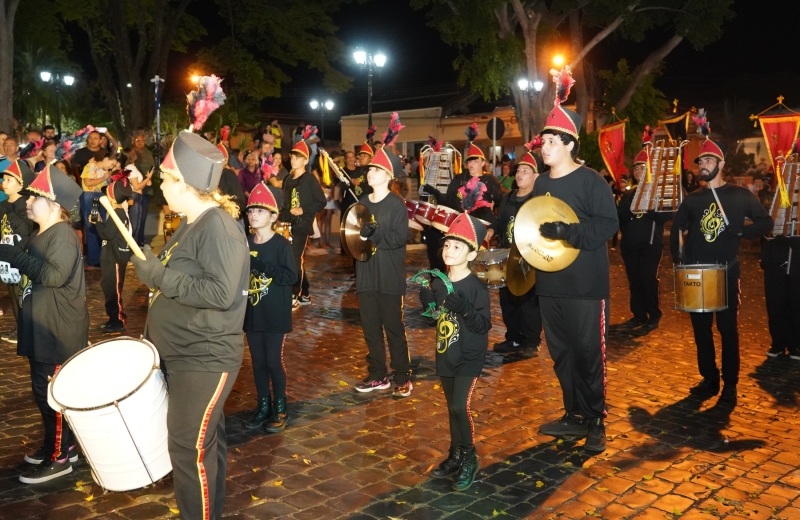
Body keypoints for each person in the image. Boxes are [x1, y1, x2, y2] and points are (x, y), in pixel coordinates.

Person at [130, 131, 249, 520]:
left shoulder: (219, 227)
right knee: (203, 445)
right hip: (182, 354)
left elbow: (220, 293)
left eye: (165, 179)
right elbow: (180, 275)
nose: (161, 186)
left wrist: (160, 277)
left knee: (186, 449)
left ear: (183, 184)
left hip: (205, 358)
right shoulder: (190, 224)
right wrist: (153, 264)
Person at [532, 69, 618, 453]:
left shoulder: (591, 181)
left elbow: (607, 226)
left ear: (568, 143)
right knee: (561, 353)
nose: (543, 146)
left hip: (585, 286)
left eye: (550, 141)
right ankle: (572, 414)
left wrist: (567, 232)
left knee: (588, 354)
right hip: (550, 285)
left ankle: (595, 418)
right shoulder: (541, 183)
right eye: (543, 141)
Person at [669, 118, 773, 401]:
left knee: (727, 329)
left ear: (722, 164)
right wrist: (679, 259)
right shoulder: (692, 199)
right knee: (701, 330)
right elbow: (678, 229)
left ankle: (730, 382)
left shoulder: (740, 196)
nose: (702, 165)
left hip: (727, 272)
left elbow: (765, 222)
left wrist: (742, 231)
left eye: (708, 160)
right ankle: (709, 378)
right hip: (697, 273)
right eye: (700, 160)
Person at [0, 166, 87, 483]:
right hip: (42, 326)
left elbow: (53, 276)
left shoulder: (62, 235)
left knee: (53, 395)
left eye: (34, 196)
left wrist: (16, 255)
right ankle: (60, 445)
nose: (27, 201)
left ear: (54, 204)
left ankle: (60, 457)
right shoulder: (43, 233)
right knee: (42, 391)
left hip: (57, 331)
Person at [420, 213, 491, 491]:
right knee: (451, 409)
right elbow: (433, 320)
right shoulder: (438, 282)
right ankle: (456, 454)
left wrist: (464, 308)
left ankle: (470, 457)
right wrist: (428, 305)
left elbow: (484, 325)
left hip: (469, 356)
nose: (449, 251)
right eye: (447, 245)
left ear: (471, 254)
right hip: (446, 353)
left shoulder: (476, 287)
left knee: (459, 407)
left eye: (457, 247)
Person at [353, 144, 414, 398]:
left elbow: (398, 239)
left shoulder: (397, 204)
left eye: (376, 170)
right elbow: (354, 240)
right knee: (370, 329)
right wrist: (358, 236)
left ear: (389, 176)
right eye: (370, 170)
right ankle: (378, 375)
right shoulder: (363, 202)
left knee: (393, 328)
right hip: (366, 275)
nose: (370, 173)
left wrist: (373, 232)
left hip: (389, 277)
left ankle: (402, 376)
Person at [242, 183, 297, 431]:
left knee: (273, 360)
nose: (253, 215)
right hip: (253, 313)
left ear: (274, 216)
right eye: (251, 210)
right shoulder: (245, 244)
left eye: (260, 211)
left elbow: (290, 277)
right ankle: (263, 406)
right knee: (258, 362)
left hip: (275, 314)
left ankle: (281, 407)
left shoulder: (281, 245)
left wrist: (262, 265)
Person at [491, 146, 544, 357]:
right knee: (507, 301)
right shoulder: (508, 198)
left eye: (526, 171)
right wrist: (490, 230)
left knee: (528, 302)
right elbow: (501, 222)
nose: (520, 174)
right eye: (519, 170)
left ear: (536, 176)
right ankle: (512, 339)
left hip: (530, 259)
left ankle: (532, 341)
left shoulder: (540, 200)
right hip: (508, 257)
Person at [617, 143, 672, 329]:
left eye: (643, 168)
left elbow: (665, 216)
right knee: (635, 281)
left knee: (649, 279)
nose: (639, 171)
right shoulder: (628, 194)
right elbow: (621, 215)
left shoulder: (657, 192)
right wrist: (633, 210)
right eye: (636, 168)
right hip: (630, 244)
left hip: (650, 244)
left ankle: (654, 314)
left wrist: (646, 208)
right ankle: (638, 314)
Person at [279, 132, 326, 308]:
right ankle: (305, 292)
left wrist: (303, 210)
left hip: (302, 224)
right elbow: (286, 203)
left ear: (305, 161)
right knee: (293, 258)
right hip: (288, 223)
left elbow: (321, 201)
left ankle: (294, 294)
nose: (294, 160)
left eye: (298, 158)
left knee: (294, 258)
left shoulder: (309, 179)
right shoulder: (288, 179)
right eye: (292, 156)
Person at [0, 160, 38, 344]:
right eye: (4, 179)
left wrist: (14, 207)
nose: (4, 183)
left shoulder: (26, 205)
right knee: (13, 294)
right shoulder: (3, 205)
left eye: (9, 180)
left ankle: (29, 332)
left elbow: (24, 229)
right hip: (7, 258)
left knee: (24, 295)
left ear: (21, 184)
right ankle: (20, 327)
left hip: (23, 258)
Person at [94, 172, 133, 333]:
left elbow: (106, 234)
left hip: (114, 258)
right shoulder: (116, 212)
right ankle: (113, 318)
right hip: (109, 256)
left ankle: (118, 320)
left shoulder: (118, 213)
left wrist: (97, 223)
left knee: (114, 290)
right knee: (108, 287)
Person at [762, 232, 800, 360]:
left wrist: (792, 241)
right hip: (774, 264)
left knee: (794, 304)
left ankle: (795, 345)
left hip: (796, 263)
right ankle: (778, 343)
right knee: (775, 305)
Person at [81, 150, 116, 267]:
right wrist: (104, 178)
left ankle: (100, 257)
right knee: (94, 227)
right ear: (105, 159)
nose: (112, 166)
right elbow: (88, 182)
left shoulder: (104, 170)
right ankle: (94, 259)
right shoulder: (91, 166)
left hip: (100, 197)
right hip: (92, 198)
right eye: (112, 164)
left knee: (101, 226)